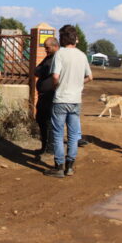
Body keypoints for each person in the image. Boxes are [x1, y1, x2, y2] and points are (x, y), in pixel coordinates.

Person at [44, 25, 93, 178]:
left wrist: (56, 86)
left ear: (63, 38)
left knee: (58, 133)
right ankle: (70, 166)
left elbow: (55, 76)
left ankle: (59, 166)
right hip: (76, 100)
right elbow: (90, 77)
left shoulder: (60, 54)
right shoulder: (82, 55)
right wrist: (77, 84)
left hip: (61, 99)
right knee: (73, 134)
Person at [34, 36, 59, 158]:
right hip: (43, 97)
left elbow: (43, 71)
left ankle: (50, 150)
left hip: (51, 96)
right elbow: (36, 71)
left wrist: (42, 71)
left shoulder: (57, 58)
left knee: (49, 122)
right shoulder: (48, 58)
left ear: (55, 46)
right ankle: (44, 147)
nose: (46, 50)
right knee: (40, 119)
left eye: (47, 48)